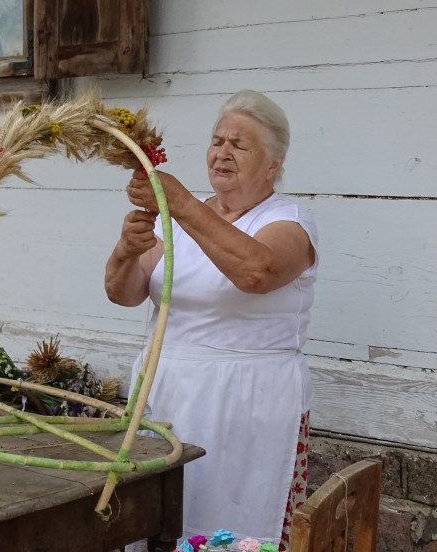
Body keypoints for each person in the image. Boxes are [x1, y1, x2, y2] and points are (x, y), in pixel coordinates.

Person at [105, 90, 317, 550]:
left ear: (272, 163)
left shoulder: (288, 222)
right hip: (168, 387)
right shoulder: (177, 217)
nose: (223, 152)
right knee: (155, 517)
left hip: (249, 399)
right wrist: (126, 249)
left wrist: (180, 203)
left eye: (239, 145)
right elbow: (123, 293)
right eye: (217, 140)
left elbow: (256, 272)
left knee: (233, 521)